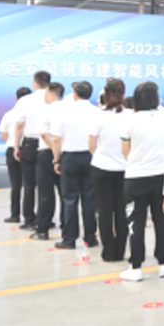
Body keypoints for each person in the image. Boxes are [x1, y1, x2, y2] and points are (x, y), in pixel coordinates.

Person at [120, 81, 164, 282]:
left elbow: (125, 150)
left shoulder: (130, 120)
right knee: (161, 220)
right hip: (162, 176)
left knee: (136, 221)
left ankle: (136, 267)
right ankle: (163, 264)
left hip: (136, 177)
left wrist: (138, 162)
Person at [49, 81, 99, 250]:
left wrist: (56, 160)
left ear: (75, 94)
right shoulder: (97, 112)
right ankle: (90, 237)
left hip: (70, 157)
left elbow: (56, 139)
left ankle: (69, 239)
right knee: (89, 199)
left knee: (69, 199)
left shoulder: (65, 112)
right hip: (91, 157)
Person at [90, 78, 131, 263]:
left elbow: (91, 145)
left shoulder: (98, 115)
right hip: (125, 169)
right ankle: (120, 251)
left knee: (104, 211)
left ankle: (108, 252)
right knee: (122, 210)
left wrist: (103, 156)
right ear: (124, 94)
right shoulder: (130, 115)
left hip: (101, 167)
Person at [13, 71, 51, 231]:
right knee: (46, 185)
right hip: (48, 143)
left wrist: (16, 146)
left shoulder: (25, 100)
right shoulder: (54, 99)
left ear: (35, 83)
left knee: (29, 184)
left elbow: (19, 125)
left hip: (30, 143)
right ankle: (46, 219)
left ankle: (29, 218)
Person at [32, 82, 65, 241]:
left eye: (45, 94)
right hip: (65, 154)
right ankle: (67, 229)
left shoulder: (45, 110)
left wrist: (54, 151)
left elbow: (44, 134)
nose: (44, 97)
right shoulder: (68, 109)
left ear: (52, 95)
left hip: (47, 153)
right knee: (65, 194)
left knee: (45, 193)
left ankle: (43, 229)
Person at [0, 86, 31, 222]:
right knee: (30, 185)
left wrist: (12, 143)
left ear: (16, 98)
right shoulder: (31, 115)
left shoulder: (8, 114)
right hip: (28, 149)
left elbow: (3, 135)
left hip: (12, 149)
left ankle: (14, 215)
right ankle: (30, 215)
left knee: (15, 184)